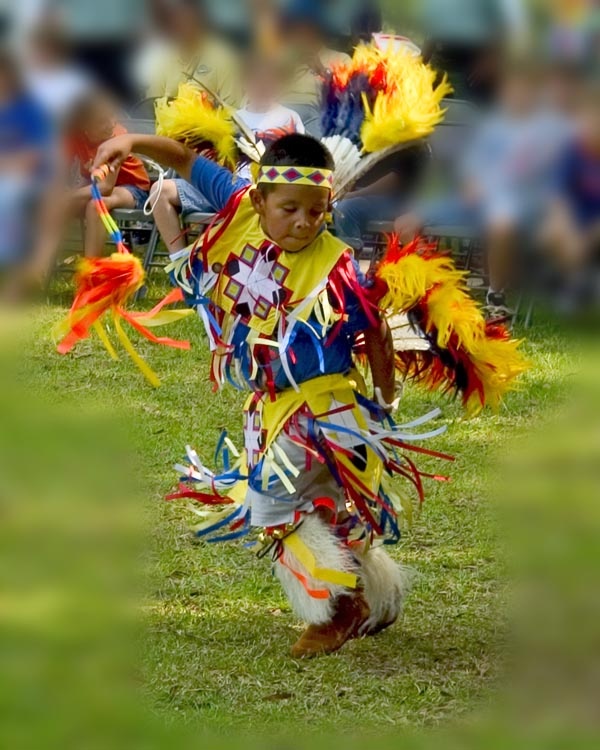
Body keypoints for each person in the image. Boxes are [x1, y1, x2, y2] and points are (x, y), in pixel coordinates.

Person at [93, 127, 432, 658]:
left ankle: (339, 606)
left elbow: (378, 332)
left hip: (324, 410)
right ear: (259, 199)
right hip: (273, 407)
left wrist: (386, 400)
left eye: (317, 212)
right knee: (318, 508)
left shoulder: (335, 266)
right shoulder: (237, 210)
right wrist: (130, 142)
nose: (303, 222)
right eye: (290, 209)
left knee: (271, 509)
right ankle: (375, 593)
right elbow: (184, 159)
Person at [394, 59, 571, 317]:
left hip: (517, 202)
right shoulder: (492, 127)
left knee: (502, 218)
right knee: (405, 223)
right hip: (473, 200)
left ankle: (495, 298)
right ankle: (435, 291)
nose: (516, 92)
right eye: (511, 86)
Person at [149, 54, 304, 256]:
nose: (262, 85)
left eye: (268, 79)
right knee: (160, 190)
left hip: (262, 192)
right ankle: (181, 261)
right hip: (222, 187)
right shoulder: (229, 118)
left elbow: (303, 162)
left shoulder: (289, 118)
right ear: (245, 83)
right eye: (256, 79)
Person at [67, 93, 150, 257]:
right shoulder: (75, 137)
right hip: (93, 185)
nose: (110, 124)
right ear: (85, 126)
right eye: (101, 121)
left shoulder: (116, 137)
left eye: (112, 117)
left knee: (95, 206)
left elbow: (105, 187)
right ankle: (39, 266)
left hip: (132, 189)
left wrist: (68, 196)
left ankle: (92, 268)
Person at [0, 48, 53, 299]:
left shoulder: (30, 110)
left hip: (31, 180)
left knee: (7, 196)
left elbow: (34, 157)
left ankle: (15, 277)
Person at [540, 82, 600, 303]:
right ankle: (575, 282)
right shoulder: (572, 151)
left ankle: (579, 282)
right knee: (551, 233)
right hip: (576, 220)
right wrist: (566, 228)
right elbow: (557, 195)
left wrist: (588, 236)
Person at [334, 145, 428, 254]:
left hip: (400, 202)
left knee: (347, 209)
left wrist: (353, 195)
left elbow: (392, 182)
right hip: (367, 198)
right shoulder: (367, 142)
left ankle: (348, 259)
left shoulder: (411, 146)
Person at [145, 0, 240, 106]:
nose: (181, 24)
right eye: (175, 19)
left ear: (200, 18)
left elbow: (233, 111)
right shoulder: (164, 59)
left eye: (186, 17)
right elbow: (150, 106)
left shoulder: (223, 57)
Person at [279, 2, 351, 138]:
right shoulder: (279, 58)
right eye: (295, 25)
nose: (300, 31)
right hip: (277, 120)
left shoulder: (340, 59)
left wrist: (322, 71)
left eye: (306, 25)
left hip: (316, 121)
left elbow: (348, 105)